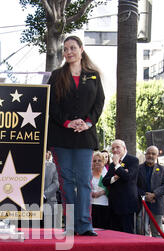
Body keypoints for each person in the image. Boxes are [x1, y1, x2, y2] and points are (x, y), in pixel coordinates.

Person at [48, 35, 105, 236]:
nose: (69, 52)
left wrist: (87, 122)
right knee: (67, 181)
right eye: (65, 49)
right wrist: (67, 122)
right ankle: (71, 225)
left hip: (85, 137)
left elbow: (99, 103)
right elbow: (51, 105)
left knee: (83, 181)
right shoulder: (56, 76)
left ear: (81, 49)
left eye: (72, 47)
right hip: (61, 136)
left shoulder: (93, 75)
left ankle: (84, 224)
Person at [102, 139, 139, 234]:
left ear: (124, 148)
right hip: (114, 205)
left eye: (117, 147)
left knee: (127, 233)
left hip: (127, 205)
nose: (114, 150)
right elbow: (105, 181)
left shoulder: (133, 160)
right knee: (114, 234)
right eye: (113, 148)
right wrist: (115, 178)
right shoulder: (111, 165)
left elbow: (127, 177)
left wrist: (117, 165)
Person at [136, 145, 164, 237]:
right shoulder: (138, 168)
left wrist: (154, 194)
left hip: (156, 204)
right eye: (148, 153)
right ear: (145, 155)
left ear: (157, 155)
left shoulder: (162, 169)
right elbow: (134, 185)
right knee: (141, 231)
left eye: (153, 154)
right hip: (142, 204)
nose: (150, 155)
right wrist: (144, 196)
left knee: (157, 232)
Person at [91, 151, 109, 229]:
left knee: (102, 229)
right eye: (94, 161)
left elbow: (111, 187)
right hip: (91, 205)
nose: (97, 162)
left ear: (103, 162)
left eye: (99, 160)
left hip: (104, 204)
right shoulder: (89, 174)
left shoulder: (107, 174)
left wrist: (102, 192)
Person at [43, 150, 60, 228]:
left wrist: (44, 195)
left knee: (51, 232)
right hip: (31, 206)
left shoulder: (54, 166)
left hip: (50, 202)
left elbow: (56, 183)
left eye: (46, 152)